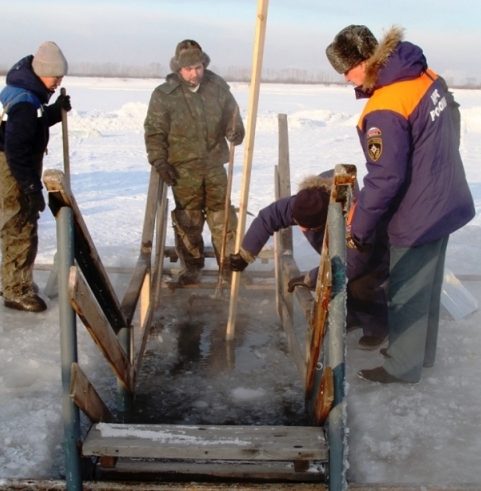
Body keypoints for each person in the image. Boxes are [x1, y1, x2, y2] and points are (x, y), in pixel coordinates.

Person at [325, 24, 475, 384]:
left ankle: (401, 367)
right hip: (445, 195)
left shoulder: (385, 105)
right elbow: (452, 117)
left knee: (407, 289)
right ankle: (422, 355)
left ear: (363, 62)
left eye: (346, 70)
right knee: (428, 282)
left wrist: (358, 231)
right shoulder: (422, 74)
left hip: (419, 211)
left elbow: (385, 178)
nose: (346, 79)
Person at [228, 173, 391, 350]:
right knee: (343, 281)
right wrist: (246, 253)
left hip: (378, 249)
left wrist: (312, 278)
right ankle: (353, 316)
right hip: (349, 252)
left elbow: (351, 265)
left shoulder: (355, 219)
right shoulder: (306, 203)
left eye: (312, 228)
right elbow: (270, 216)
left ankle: (378, 328)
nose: (306, 230)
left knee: (360, 285)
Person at [144, 40, 245, 285]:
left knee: (223, 217)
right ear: (179, 69)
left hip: (214, 168)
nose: (194, 73)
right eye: (188, 69)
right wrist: (160, 161)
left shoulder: (218, 89)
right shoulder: (164, 95)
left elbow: (234, 119)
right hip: (182, 169)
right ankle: (192, 267)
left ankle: (228, 267)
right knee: (188, 220)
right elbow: (154, 131)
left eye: (198, 67)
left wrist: (235, 132)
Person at [0, 41, 72, 312]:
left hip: (8, 171)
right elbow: (17, 150)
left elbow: (31, 125)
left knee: (18, 227)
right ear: (42, 71)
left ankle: (16, 280)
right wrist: (32, 188)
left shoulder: (25, 91)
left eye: (61, 78)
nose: (58, 82)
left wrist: (53, 112)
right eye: (55, 76)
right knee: (19, 229)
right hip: (12, 173)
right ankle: (15, 291)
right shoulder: (24, 100)